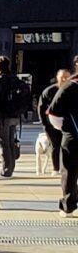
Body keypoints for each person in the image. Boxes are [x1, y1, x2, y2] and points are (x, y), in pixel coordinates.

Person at [0, 56, 32, 178]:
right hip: (14, 115)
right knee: (10, 142)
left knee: (3, 144)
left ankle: (6, 170)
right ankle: (10, 167)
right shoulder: (16, 80)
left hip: (1, 116)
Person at [48, 68, 78, 214]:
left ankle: (69, 205)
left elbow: (53, 112)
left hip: (73, 136)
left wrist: (65, 129)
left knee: (70, 171)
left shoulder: (70, 86)